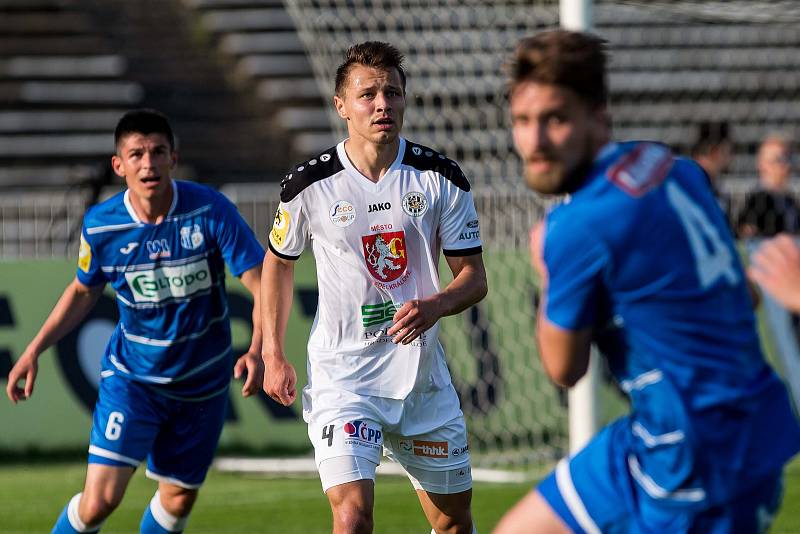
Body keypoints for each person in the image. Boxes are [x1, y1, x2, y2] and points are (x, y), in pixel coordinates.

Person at [495, 30, 800, 533]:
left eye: (556, 119)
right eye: (523, 121)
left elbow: (562, 368)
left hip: (700, 459)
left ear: (599, 116)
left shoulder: (576, 229)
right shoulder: (671, 167)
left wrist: (547, 273)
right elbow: (743, 296)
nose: (535, 142)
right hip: (679, 426)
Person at [261, 41, 487, 534]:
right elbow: (277, 265)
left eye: (392, 93)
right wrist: (272, 353)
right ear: (341, 105)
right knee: (352, 517)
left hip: (420, 382)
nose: (382, 103)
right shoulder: (310, 186)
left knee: (453, 525)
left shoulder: (441, 178)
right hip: (344, 379)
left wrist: (437, 304)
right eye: (368, 94)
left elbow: (474, 278)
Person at [6, 109, 265, 534]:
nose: (149, 164)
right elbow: (83, 290)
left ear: (173, 158)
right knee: (100, 501)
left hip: (203, 383)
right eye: (137, 154)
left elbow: (261, 284)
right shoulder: (102, 226)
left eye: (158, 152)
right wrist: (34, 349)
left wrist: (259, 348)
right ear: (119, 165)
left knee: (177, 499)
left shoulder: (210, 210)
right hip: (134, 380)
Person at [737, 134, 799, 238]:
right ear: (763, 165)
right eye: (780, 160)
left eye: (788, 158)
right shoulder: (756, 201)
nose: (787, 165)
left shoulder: (790, 201)